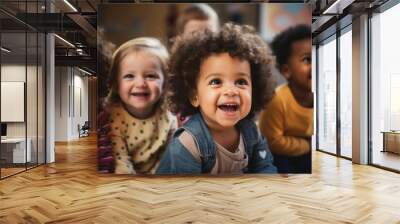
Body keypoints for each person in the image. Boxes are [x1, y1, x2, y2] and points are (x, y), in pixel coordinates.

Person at [156, 23, 277, 175]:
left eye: (241, 82)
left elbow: (266, 171)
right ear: (194, 96)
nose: (231, 91)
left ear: (256, 89)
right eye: (216, 82)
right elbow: (186, 193)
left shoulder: (252, 132)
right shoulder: (188, 143)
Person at [98, 37, 177, 174]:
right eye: (129, 76)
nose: (140, 83)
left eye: (151, 76)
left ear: (165, 84)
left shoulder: (169, 118)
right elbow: (121, 162)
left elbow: (166, 161)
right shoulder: (110, 118)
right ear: (116, 84)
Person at [258, 24, 313, 174]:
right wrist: (307, 145)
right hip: (280, 154)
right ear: (286, 70)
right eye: (307, 59)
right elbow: (273, 141)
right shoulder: (277, 100)